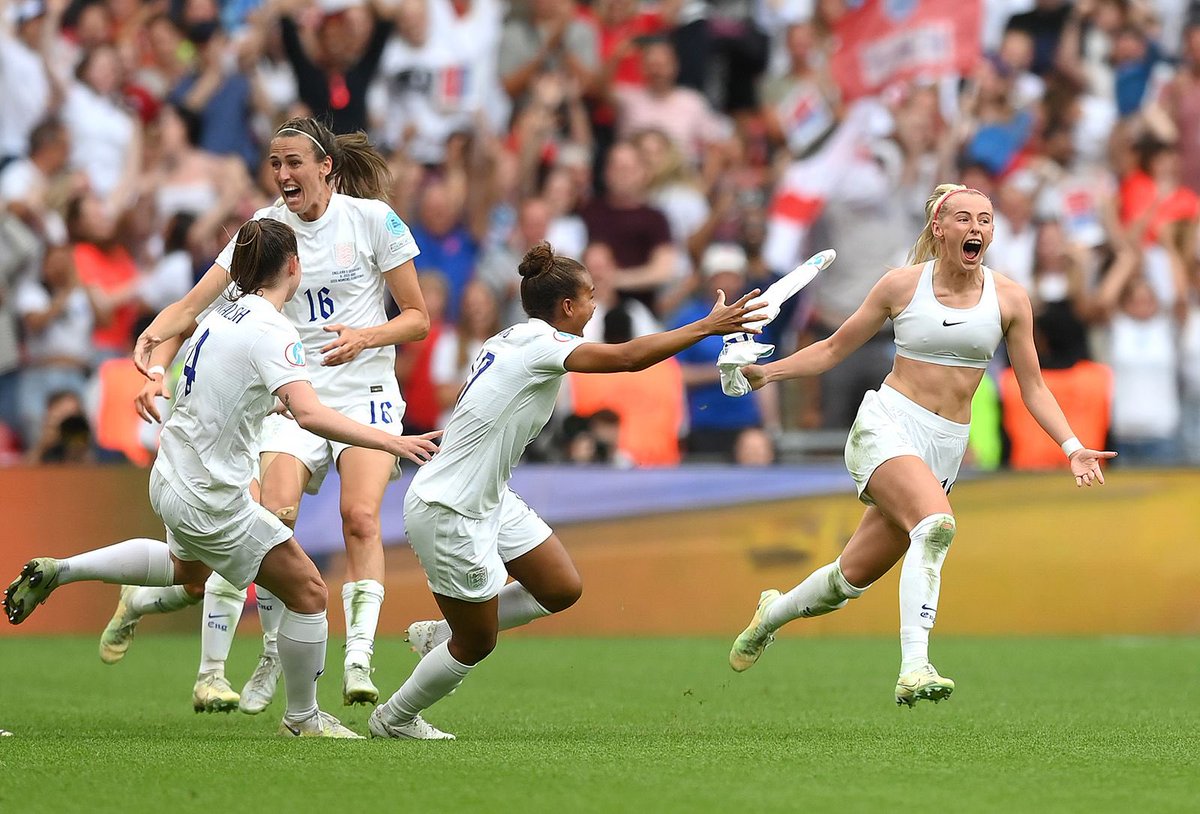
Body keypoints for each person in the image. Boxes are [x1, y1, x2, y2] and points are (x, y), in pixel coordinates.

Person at [4, 219, 440, 738]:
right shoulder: (274, 331)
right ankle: (302, 719)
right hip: (210, 496)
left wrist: (264, 398)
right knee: (308, 591)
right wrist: (389, 439)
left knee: (184, 571)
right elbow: (311, 415)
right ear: (294, 268)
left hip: (169, 474)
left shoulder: (222, 309)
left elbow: (225, 372)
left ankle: (63, 569)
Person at [727, 184, 1115, 706]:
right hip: (888, 424)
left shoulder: (1010, 298)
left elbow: (1034, 387)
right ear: (939, 228)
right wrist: (766, 374)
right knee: (936, 527)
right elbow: (833, 348)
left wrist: (1072, 446)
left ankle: (770, 614)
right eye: (963, 218)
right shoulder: (902, 286)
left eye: (985, 219)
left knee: (848, 581)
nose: (975, 227)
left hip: (945, 447)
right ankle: (914, 667)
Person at [98, 116, 429, 714]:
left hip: (366, 389)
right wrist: (152, 359)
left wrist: (365, 335)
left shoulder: (373, 220)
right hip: (290, 392)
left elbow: (418, 318)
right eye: (275, 164)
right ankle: (275, 650)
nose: (282, 174)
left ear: (326, 166)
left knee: (359, 518)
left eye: (293, 163)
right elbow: (200, 303)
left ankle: (357, 659)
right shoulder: (265, 229)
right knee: (273, 517)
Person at [369, 241, 765, 739]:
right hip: (449, 507)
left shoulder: (510, 337)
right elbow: (628, 359)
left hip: (485, 495)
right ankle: (395, 718)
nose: (597, 305)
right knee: (478, 644)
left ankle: (447, 631)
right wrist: (707, 326)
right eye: (591, 296)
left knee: (559, 587)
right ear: (567, 307)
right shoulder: (542, 346)